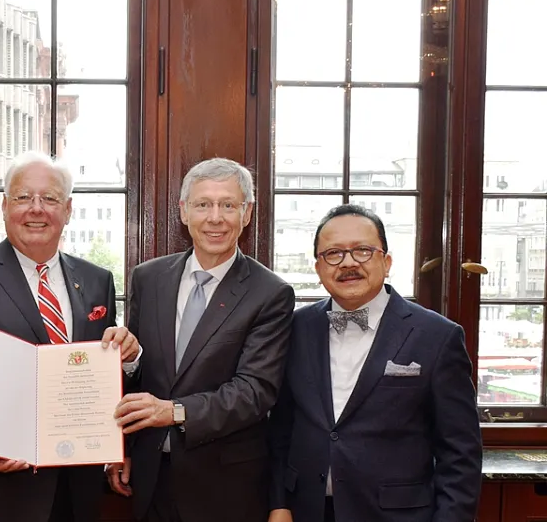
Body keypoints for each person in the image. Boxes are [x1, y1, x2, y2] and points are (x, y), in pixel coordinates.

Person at [0, 150, 140, 522]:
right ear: (4, 206)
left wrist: (129, 359)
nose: (36, 209)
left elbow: (99, 375)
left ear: (67, 210)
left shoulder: (96, 280)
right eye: (23, 197)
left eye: (50, 198)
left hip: (77, 487)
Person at [267, 204, 482, 522]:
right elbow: (280, 428)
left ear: (387, 261)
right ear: (318, 267)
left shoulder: (437, 336)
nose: (348, 263)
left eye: (363, 251)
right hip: (305, 511)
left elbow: (460, 453)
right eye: (333, 253)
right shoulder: (294, 328)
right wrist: (278, 503)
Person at [110, 157, 295, 522]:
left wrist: (175, 411)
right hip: (150, 479)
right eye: (202, 204)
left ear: (247, 213)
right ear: (183, 211)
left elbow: (255, 391)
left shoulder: (270, 293)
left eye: (228, 205)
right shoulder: (148, 278)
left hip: (224, 486)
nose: (215, 218)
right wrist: (123, 444)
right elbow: (143, 373)